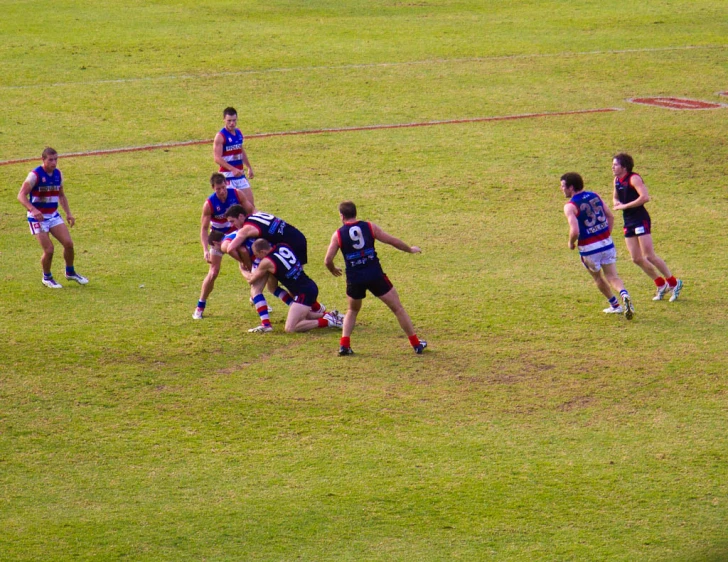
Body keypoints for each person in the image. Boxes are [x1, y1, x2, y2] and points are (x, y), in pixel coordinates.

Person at [324, 201, 427, 355]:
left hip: (354, 278)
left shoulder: (338, 234)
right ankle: (416, 344)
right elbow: (392, 241)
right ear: (355, 213)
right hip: (375, 275)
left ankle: (344, 346)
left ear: (341, 216)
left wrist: (333, 269)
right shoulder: (370, 227)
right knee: (398, 308)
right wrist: (409, 249)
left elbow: (327, 260)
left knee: (352, 310)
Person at [561, 172, 634, 319]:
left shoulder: (570, 206)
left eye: (563, 186)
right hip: (606, 244)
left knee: (598, 278)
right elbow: (611, 216)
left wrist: (570, 243)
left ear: (571, 187)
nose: (562, 189)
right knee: (613, 276)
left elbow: (574, 230)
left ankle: (615, 305)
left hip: (589, 248)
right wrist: (606, 234)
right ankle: (624, 294)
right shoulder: (595, 195)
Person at [612, 153, 683, 302]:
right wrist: (616, 202)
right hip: (628, 220)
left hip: (640, 219)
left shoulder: (634, 178)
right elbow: (616, 196)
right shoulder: (617, 180)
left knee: (649, 256)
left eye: (616, 165)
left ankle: (674, 283)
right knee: (636, 258)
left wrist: (624, 206)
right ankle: (660, 284)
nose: (613, 167)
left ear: (624, 167)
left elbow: (645, 197)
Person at [17, 147, 88, 288]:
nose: (54, 163)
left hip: (53, 215)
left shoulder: (58, 174)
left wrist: (68, 213)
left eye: (56, 159)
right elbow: (21, 195)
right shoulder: (35, 175)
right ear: (43, 160)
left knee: (68, 244)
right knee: (49, 250)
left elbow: (61, 195)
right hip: (37, 218)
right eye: (50, 160)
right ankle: (47, 277)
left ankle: (70, 272)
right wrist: (33, 209)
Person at [241, 238, 343, 333]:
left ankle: (329, 321)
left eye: (257, 255)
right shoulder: (282, 246)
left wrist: (242, 269)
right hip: (309, 285)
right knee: (306, 314)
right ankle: (331, 315)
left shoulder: (267, 262)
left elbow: (251, 279)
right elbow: (273, 285)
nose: (257, 259)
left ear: (262, 252)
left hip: (303, 293)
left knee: (290, 328)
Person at [193, 173, 254, 320]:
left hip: (235, 234)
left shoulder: (237, 194)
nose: (221, 191)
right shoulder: (209, 204)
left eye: (223, 187)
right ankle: (200, 306)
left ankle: (255, 295)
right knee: (214, 272)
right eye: (218, 189)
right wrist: (205, 250)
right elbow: (204, 229)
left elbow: (251, 211)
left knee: (247, 259)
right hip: (218, 238)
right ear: (213, 188)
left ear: (227, 184)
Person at [213, 107, 255, 208]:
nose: (232, 123)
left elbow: (241, 151)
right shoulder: (220, 136)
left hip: (240, 175)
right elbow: (217, 158)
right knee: (231, 209)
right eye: (229, 121)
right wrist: (232, 169)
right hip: (227, 177)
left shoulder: (239, 133)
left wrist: (249, 167)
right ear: (224, 120)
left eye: (234, 120)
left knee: (250, 206)